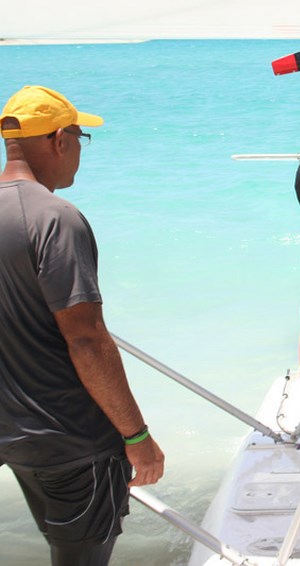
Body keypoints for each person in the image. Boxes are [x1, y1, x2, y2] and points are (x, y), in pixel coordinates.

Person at [0, 85, 165, 564]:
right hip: (70, 441)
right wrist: (137, 438)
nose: (78, 152)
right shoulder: (56, 219)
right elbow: (87, 340)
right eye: (80, 138)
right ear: (59, 140)